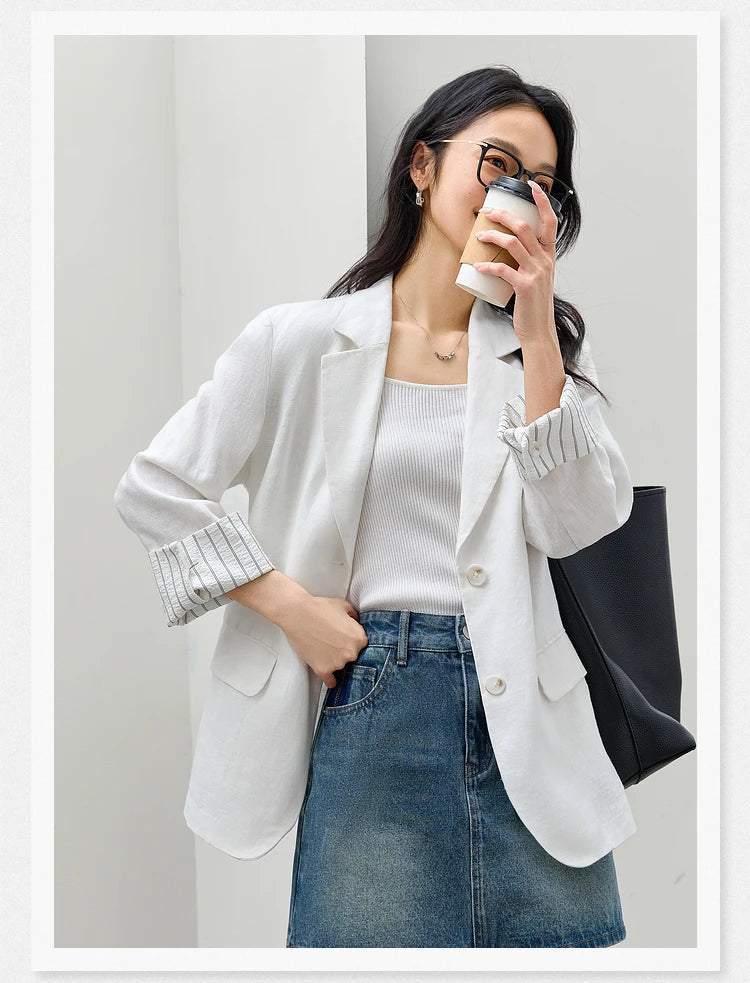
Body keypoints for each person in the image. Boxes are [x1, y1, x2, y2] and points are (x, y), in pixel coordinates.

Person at [114, 65, 636, 948]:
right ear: (422, 167)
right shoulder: (299, 341)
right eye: (499, 163)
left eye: (543, 186)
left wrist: (538, 322)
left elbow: (577, 523)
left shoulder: (534, 363)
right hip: (373, 705)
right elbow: (155, 487)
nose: (520, 194)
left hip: (528, 728)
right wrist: (291, 607)